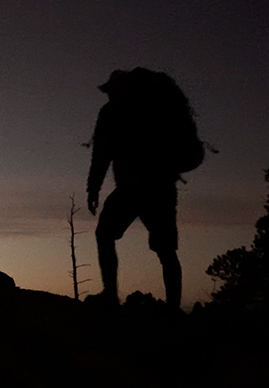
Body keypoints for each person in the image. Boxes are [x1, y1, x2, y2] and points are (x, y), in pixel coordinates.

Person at [85, 68, 198, 310]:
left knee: (105, 235)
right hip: (160, 188)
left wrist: (93, 188)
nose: (108, 95)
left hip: (132, 189)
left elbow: (101, 154)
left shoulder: (112, 112)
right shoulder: (155, 109)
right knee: (166, 249)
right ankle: (173, 308)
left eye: (110, 90)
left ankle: (111, 295)